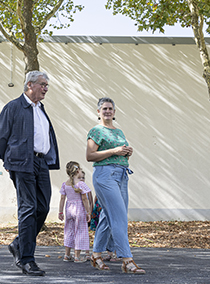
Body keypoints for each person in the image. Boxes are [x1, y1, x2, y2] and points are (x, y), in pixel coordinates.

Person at [0, 71, 60, 276]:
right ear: (30, 85)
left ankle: (18, 244)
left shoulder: (41, 109)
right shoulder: (13, 107)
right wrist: (8, 160)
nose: (46, 88)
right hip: (22, 162)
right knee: (28, 208)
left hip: (41, 163)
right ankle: (27, 259)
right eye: (43, 84)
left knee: (42, 207)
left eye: (47, 85)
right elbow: (0, 137)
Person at [86, 97, 145, 274]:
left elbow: (119, 152)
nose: (108, 111)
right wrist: (115, 151)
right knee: (119, 216)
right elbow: (90, 155)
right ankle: (127, 260)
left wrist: (126, 153)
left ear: (114, 111)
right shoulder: (96, 131)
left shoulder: (119, 132)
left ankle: (96, 255)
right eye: (104, 109)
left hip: (121, 175)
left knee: (106, 216)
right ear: (98, 112)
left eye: (110, 108)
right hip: (105, 176)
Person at [58, 161, 91, 263]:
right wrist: (88, 212)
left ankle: (67, 255)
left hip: (69, 210)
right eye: (80, 169)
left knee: (69, 231)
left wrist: (60, 212)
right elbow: (85, 199)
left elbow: (62, 198)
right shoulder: (80, 184)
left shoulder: (65, 184)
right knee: (80, 231)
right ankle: (77, 256)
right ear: (77, 171)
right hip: (79, 210)